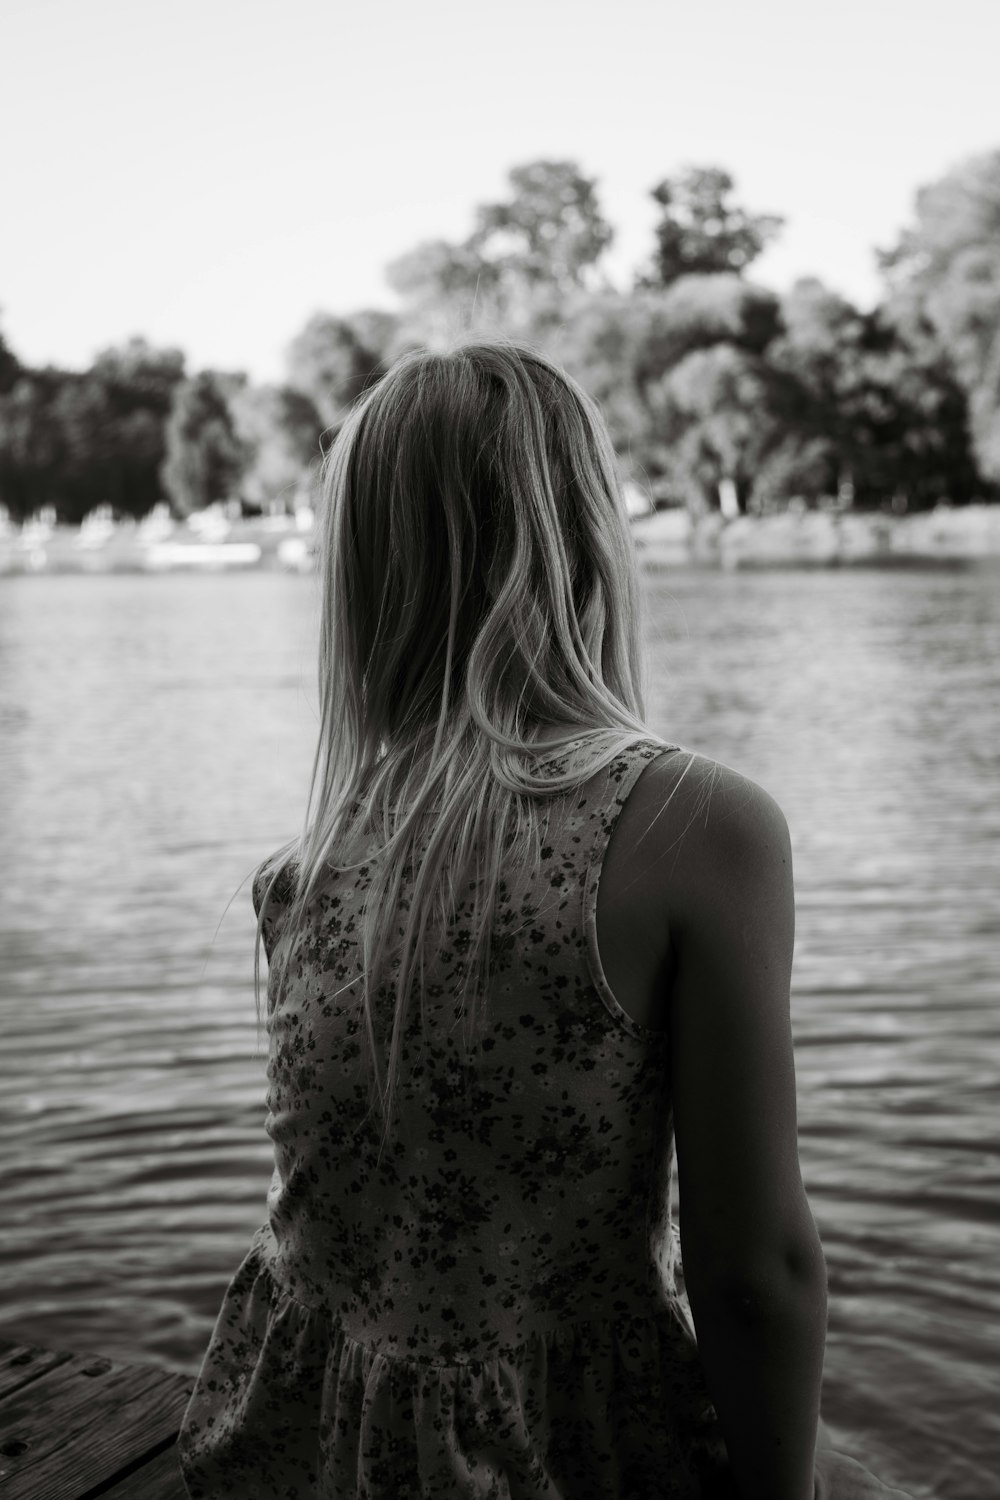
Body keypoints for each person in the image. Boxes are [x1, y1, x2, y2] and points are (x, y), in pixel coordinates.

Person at [176, 336, 915, 1499]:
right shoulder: (691, 824)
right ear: (586, 538)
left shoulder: (300, 876)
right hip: (551, 1457)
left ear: (362, 576)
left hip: (300, 1447)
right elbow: (754, 1273)